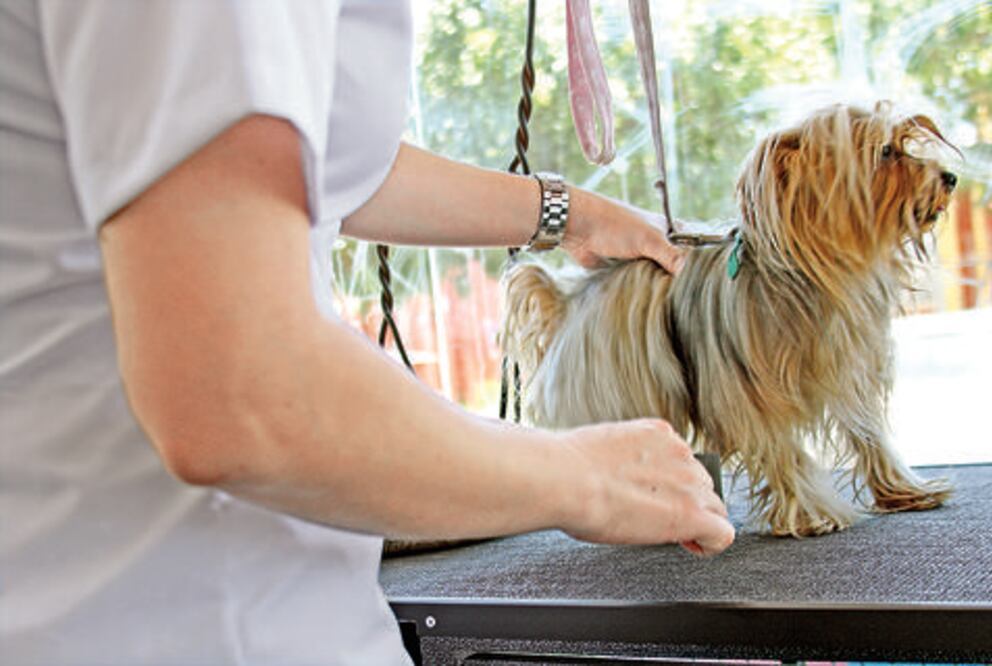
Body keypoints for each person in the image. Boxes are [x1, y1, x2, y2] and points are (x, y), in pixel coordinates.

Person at [0, 1, 733, 663]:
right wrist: (583, 478)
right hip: (170, 615)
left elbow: (327, 162)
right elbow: (243, 394)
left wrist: (567, 211)